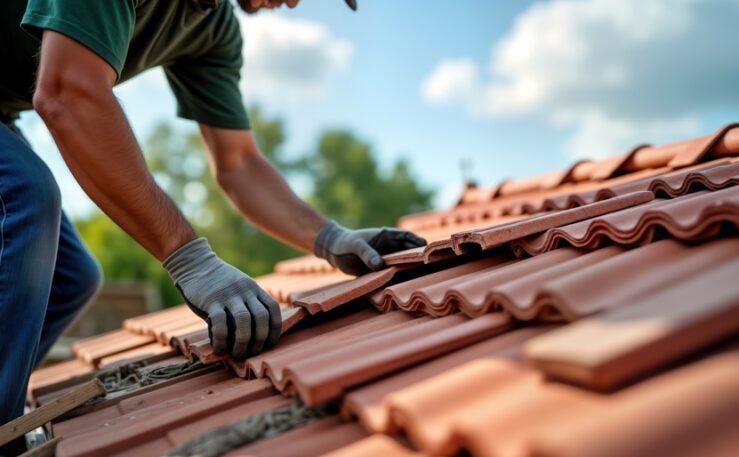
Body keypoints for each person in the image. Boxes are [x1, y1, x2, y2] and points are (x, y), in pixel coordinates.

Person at [0, 0, 426, 431]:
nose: (295, 3)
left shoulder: (212, 27)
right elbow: (67, 94)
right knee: (25, 198)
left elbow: (238, 164)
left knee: (70, 279)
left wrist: (330, 238)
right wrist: (191, 261)